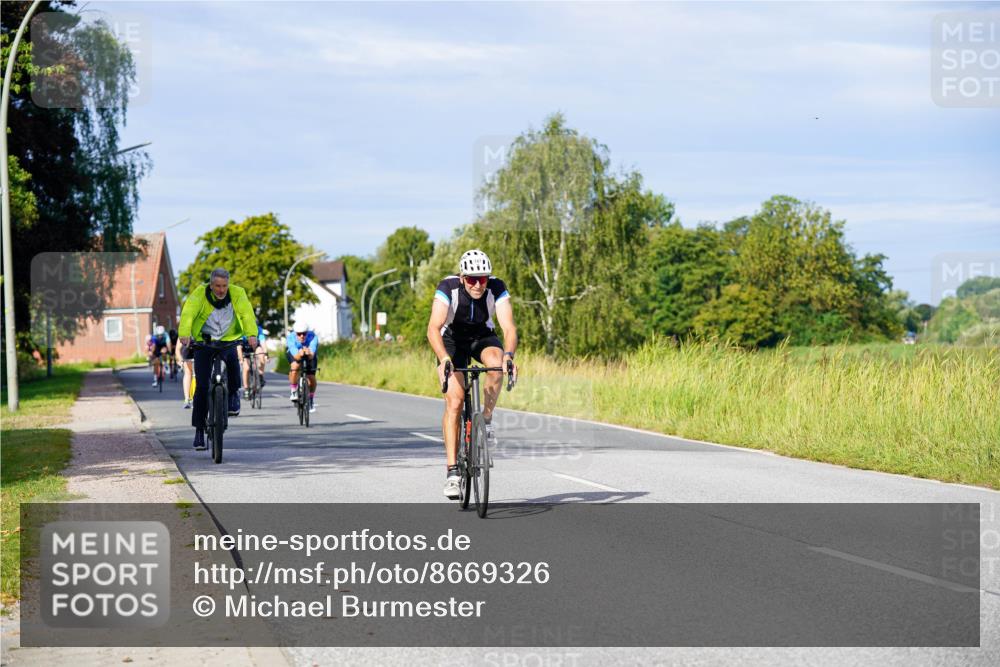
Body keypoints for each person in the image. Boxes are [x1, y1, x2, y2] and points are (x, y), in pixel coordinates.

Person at [426, 249, 518, 499]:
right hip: (451, 340)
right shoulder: (448, 287)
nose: (478, 284)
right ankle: (453, 472)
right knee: (454, 402)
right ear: (462, 277)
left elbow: (508, 327)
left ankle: (485, 422)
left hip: (481, 336)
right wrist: (444, 358)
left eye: (483, 279)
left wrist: (509, 355)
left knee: (497, 364)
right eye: (472, 279)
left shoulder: (497, 287)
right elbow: (433, 328)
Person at [178, 268, 259, 450]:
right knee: (202, 387)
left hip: (228, 340)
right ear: (211, 284)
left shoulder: (237, 293)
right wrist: (184, 334)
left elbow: (246, 314)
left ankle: (233, 396)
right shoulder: (200, 293)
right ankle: (199, 431)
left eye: (224, 286)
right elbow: (188, 313)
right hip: (204, 342)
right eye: (217, 286)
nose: (221, 290)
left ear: (228, 284)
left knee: (233, 363)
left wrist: (252, 334)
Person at [286, 321, 318, 413]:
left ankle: (311, 399)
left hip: (309, 354)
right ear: (295, 333)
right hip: (295, 353)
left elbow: (312, 354)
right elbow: (295, 356)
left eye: (304, 334)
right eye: (299, 334)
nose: (302, 336)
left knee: (311, 378)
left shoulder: (313, 336)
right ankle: (293, 390)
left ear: (307, 332)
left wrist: (308, 353)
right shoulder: (290, 338)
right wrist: (300, 353)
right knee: (295, 367)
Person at [241, 324, 269, 399]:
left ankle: (260, 375)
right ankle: (246, 389)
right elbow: (239, 347)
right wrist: (240, 358)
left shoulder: (258, 329)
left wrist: (266, 354)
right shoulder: (242, 329)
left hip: (256, 347)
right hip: (245, 348)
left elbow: (263, 342)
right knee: (246, 368)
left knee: (261, 356)